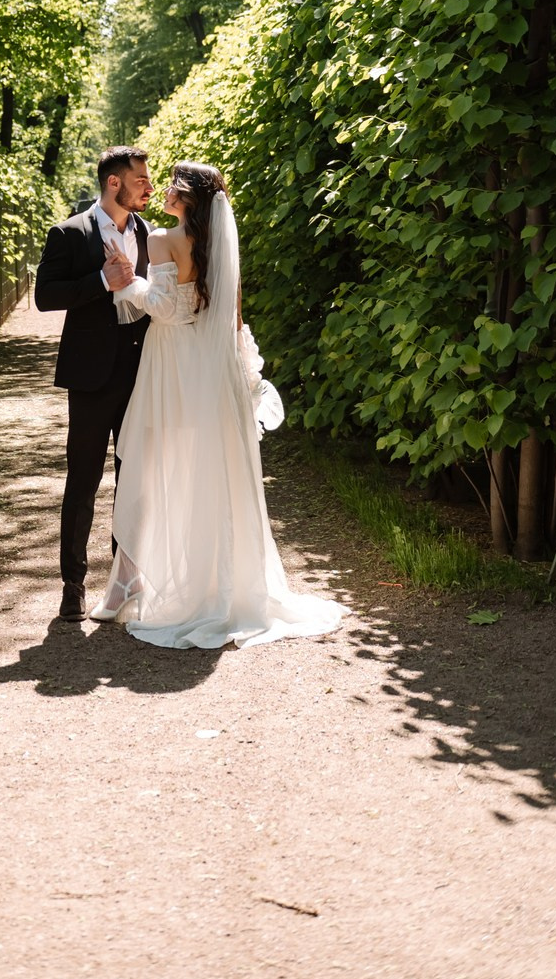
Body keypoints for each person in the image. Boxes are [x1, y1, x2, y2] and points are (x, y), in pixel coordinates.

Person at [91, 160, 347, 648]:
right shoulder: (220, 245)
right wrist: (247, 378)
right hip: (212, 367)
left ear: (188, 197)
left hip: (171, 365)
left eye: (172, 185)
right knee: (209, 473)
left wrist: (128, 282)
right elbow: (233, 320)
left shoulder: (161, 239)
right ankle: (213, 583)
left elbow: (165, 309)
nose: (163, 190)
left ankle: (129, 582)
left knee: (150, 467)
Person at [34, 146, 154, 621]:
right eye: (141, 179)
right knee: (82, 480)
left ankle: (123, 582)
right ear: (113, 183)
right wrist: (101, 281)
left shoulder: (148, 233)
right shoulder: (69, 233)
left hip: (142, 373)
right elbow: (45, 296)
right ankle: (73, 585)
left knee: (134, 479)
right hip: (90, 376)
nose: (148, 187)